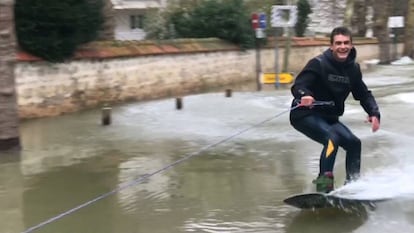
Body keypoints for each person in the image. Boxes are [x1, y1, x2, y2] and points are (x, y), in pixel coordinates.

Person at [289, 26, 381, 193]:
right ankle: (323, 186)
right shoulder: (318, 63)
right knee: (332, 138)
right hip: (304, 115)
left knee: (354, 144)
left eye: (346, 43)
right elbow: (299, 85)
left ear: (351, 45)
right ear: (331, 46)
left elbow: (363, 94)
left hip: (329, 118)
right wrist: (305, 94)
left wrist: (374, 113)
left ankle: (352, 186)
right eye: (338, 43)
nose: (342, 46)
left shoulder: (353, 69)